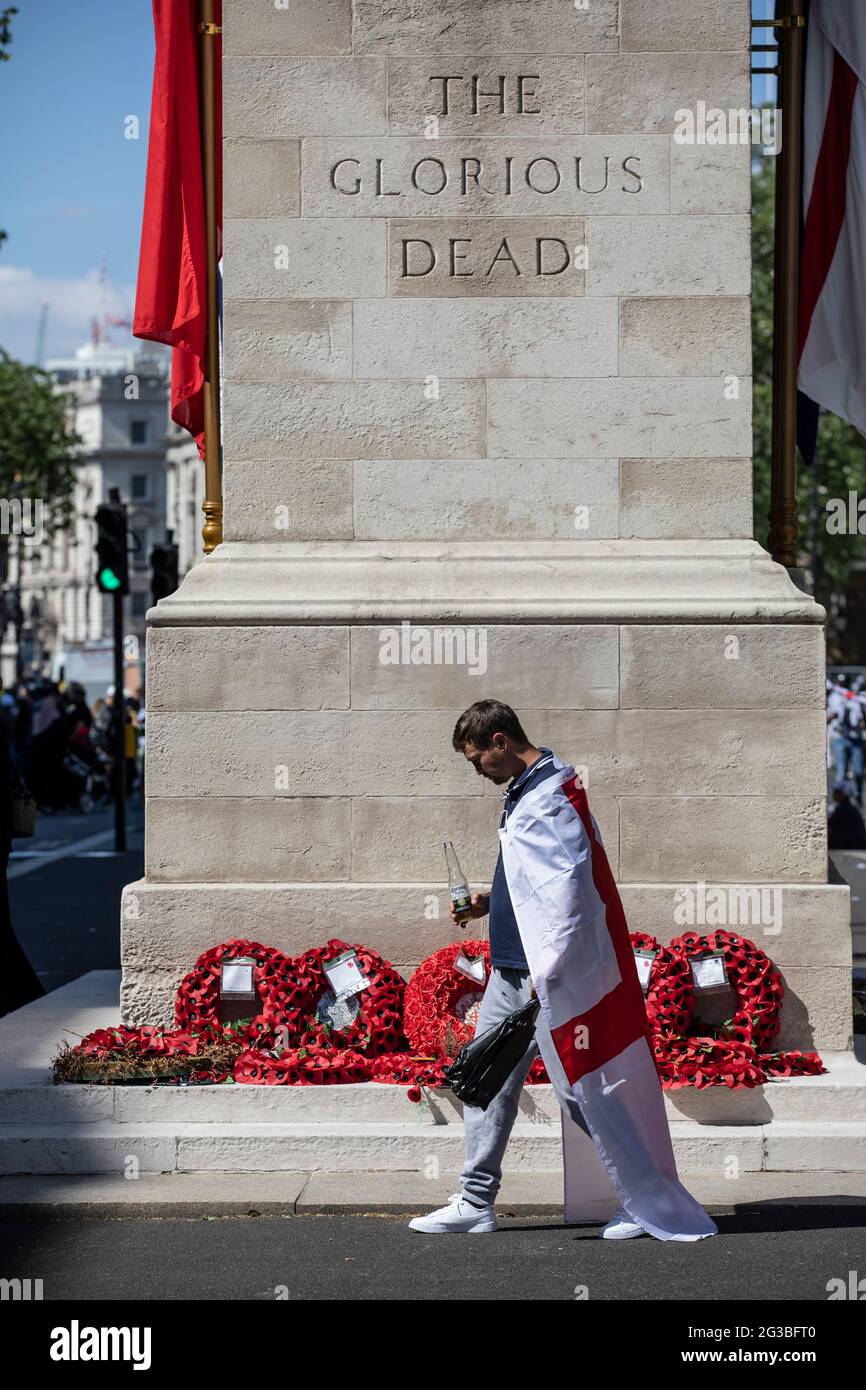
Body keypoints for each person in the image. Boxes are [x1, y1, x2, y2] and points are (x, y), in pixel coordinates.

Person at [409, 699, 718, 1243]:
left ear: (501, 741)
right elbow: (541, 881)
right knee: (486, 1083)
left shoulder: (550, 795)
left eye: (477, 758)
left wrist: (550, 972)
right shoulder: (528, 791)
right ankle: (476, 1201)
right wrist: (491, 901)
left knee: (581, 1089)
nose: (477, 771)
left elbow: (572, 893)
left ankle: (646, 1201)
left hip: (542, 977)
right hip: (509, 969)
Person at [828, 780, 866, 850]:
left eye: (836, 792)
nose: (833, 793)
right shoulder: (849, 807)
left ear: (843, 794)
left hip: (851, 847)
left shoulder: (843, 809)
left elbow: (828, 824)